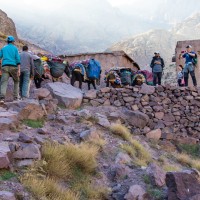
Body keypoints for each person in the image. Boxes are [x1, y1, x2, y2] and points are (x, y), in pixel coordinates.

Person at [0, 36, 20, 102]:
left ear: (7, 41)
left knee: (4, 82)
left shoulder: (3, 48)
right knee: (16, 81)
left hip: (5, 66)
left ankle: (2, 98)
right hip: (14, 67)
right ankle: (15, 97)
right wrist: (19, 69)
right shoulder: (15, 48)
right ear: (13, 41)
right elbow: (18, 59)